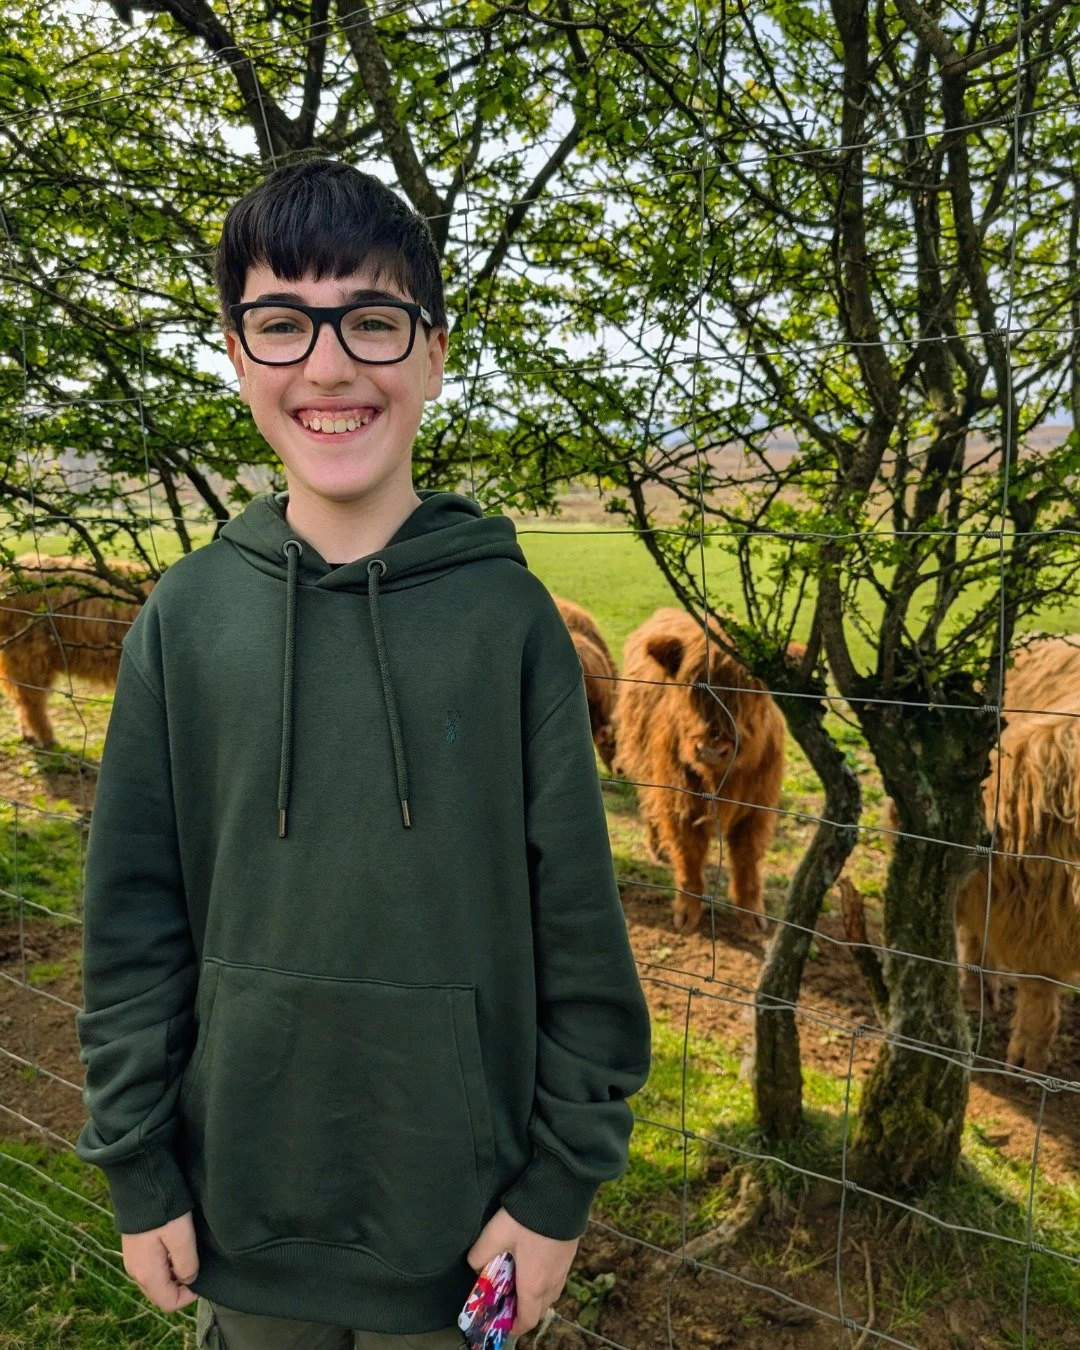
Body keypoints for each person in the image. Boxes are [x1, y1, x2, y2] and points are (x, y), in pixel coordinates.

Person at [74, 157, 652, 1350]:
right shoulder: (185, 620)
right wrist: (139, 1167)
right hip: (240, 1220)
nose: (328, 365)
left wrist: (555, 1197)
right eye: (282, 324)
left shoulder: (512, 625)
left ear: (432, 352)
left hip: (462, 1236)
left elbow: (583, 945)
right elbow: (132, 927)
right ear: (236, 354)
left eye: (371, 322)